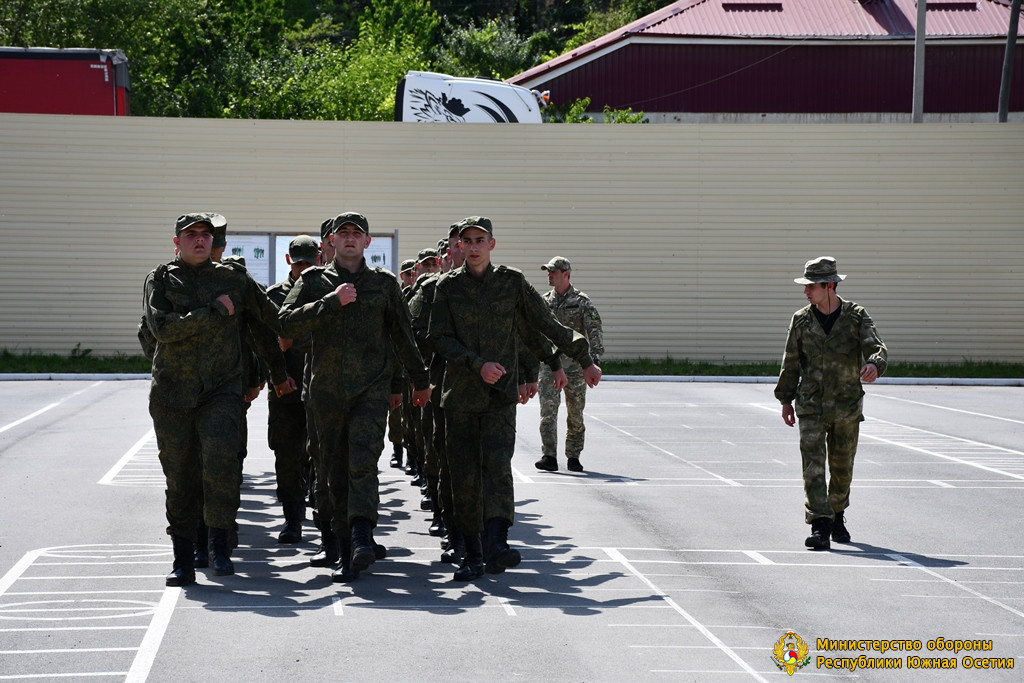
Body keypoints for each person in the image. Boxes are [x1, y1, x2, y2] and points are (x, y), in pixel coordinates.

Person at [429, 216, 602, 581]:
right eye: (467, 240)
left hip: (498, 398)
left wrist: (585, 360)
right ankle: (471, 553)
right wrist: (476, 365)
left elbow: (545, 324)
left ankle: (497, 544)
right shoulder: (447, 288)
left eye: (480, 240)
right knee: (464, 476)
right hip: (459, 396)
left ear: (491, 244)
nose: (473, 246)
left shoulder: (511, 283)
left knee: (496, 469)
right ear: (459, 246)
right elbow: (439, 338)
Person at [278, 212, 431, 582]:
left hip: (370, 389)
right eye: (342, 233)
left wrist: (417, 379)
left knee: (362, 460)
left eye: (356, 234)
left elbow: (401, 334)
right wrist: (330, 302)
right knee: (331, 467)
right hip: (325, 393)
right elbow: (284, 323)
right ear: (330, 241)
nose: (349, 239)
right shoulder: (315, 281)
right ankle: (341, 547)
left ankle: (362, 535)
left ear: (367, 242)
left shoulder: (384, 284)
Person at [144, 213, 291, 586]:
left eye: (205, 235)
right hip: (173, 393)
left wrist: (328, 311)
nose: (199, 241)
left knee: (221, 465)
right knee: (181, 475)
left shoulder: (233, 280)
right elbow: (163, 328)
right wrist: (213, 312)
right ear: (176, 241)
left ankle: (219, 547)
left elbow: (270, 322)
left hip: (222, 391)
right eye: (190, 235)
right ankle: (183, 557)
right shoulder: (160, 280)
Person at [774, 256, 887, 551]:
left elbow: (876, 347)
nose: (806, 291)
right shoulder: (801, 320)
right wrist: (786, 399)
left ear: (830, 285)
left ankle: (837, 514)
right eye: (806, 286)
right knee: (812, 466)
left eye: (811, 286)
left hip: (846, 405)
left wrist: (875, 364)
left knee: (842, 467)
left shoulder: (856, 316)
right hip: (810, 405)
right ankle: (820, 524)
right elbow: (791, 362)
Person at [266, 235, 320, 543]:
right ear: (289, 261)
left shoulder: (326, 292)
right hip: (286, 388)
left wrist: (294, 340)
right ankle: (292, 518)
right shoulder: (275, 296)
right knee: (286, 455)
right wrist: (273, 376)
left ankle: (317, 504)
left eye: (308, 264)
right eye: (298, 263)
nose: (303, 269)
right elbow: (267, 340)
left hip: (318, 387)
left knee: (318, 454)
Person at [535, 256, 605, 473]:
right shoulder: (545, 301)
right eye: (548, 271)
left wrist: (594, 360)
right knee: (548, 412)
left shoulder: (582, 301)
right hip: (550, 365)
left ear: (566, 274)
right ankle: (549, 456)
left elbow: (594, 330)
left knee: (575, 413)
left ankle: (573, 456)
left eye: (553, 272)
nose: (549, 275)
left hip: (575, 366)